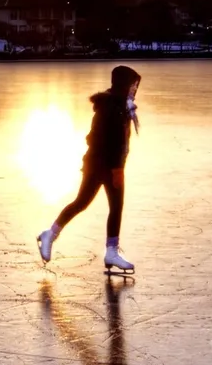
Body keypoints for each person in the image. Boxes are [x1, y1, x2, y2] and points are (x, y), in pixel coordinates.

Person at [37, 66, 141, 274]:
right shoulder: (111, 107)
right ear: (123, 84)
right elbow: (97, 139)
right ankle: (50, 234)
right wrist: (115, 168)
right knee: (83, 203)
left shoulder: (122, 106)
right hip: (101, 166)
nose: (135, 90)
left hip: (108, 165)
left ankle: (110, 251)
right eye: (132, 85)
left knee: (111, 206)